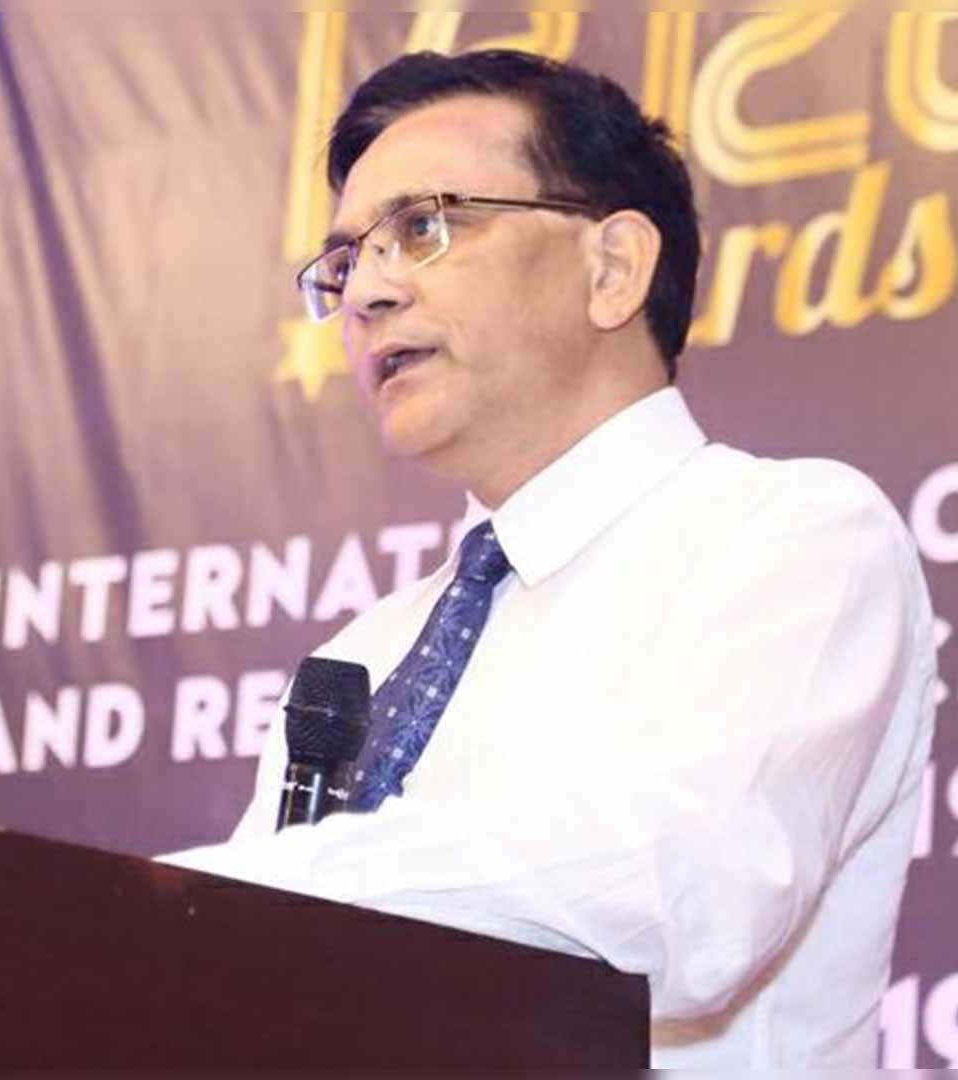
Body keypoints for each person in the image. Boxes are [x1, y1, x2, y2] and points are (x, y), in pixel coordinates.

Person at [162, 50, 937, 1067]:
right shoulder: (365, 653)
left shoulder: (792, 536)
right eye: (347, 261)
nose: (369, 293)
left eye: (422, 228)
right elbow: (235, 976)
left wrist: (225, 899)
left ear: (612, 268)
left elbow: (682, 894)